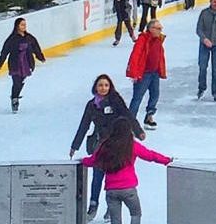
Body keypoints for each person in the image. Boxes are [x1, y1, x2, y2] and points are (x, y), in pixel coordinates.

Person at [70, 73, 143, 216]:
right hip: (100, 145)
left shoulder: (115, 101)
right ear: (95, 87)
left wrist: (138, 130)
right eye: (100, 85)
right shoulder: (91, 105)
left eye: (106, 85)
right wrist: (75, 145)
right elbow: (84, 125)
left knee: (113, 175)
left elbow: (128, 115)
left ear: (110, 87)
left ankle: (111, 208)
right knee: (97, 176)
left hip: (116, 145)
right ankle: (93, 204)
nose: (103, 88)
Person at [80, 117, 171, 224]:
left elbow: (92, 160)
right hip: (128, 190)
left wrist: (82, 161)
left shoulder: (106, 145)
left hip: (111, 190)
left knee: (116, 220)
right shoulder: (131, 145)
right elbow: (150, 155)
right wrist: (167, 160)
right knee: (136, 213)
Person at [0, 17, 46, 111]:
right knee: (16, 81)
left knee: (21, 81)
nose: (24, 26)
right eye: (22, 25)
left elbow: (36, 47)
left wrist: (40, 57)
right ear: (17, 26)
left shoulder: (29, 37)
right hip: (15, 63)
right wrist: (1, 62)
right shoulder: (12, 39)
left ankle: (15, 95)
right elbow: (5, 51)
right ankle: (15, 99)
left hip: (27, 63)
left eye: (25, 25)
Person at [127, 20, 167, 127]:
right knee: (137, 98)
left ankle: (149, 116)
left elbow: (160, 56)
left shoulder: (158, 40)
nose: (160, 31)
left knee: (155, 95)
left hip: (154, 73)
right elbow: (135, 55)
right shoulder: (142, 40)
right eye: (158, 29)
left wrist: (161, 70)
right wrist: (134, 73)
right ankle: (131, 122)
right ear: (151, 29)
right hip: (143, 74)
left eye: (161, 29)